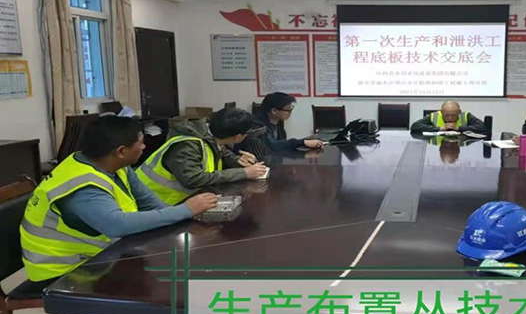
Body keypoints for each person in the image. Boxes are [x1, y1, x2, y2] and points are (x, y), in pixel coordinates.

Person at [20, 116, 218, 282]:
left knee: (171, 265)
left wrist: (184, 218)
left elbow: (148, 202)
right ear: (121, 151)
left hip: (102, 252)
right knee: (165, 278)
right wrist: (185, 210)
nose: (144, 147)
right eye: (140, 143)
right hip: (65, 270)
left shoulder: (114, 165)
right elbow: (117, 225)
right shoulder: (84, 186)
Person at [136, 107, 267, 205]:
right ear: (237, 137)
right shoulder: (187, 146)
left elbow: (220, 151)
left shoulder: (208, 134)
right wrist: (244, 173)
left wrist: (238, 160)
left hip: (183, 201)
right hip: (154, 203)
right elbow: (193, 179)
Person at [235, 92, 324, 160]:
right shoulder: (256, 125)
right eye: (288, 110)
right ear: (274, 111)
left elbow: (281, 144)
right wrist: (302, 142)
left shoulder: (278, 121)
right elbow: (270, 146)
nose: (290, 113)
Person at [410, 101, 486, 133]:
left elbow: (483, 127)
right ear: (441, 112)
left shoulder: (466, 116)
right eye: (446, 115)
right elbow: (415, 126)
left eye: (453, 115)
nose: (450, 118)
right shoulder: (434, 116)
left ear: (459, 112)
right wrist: (439, 128)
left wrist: (459, 128)